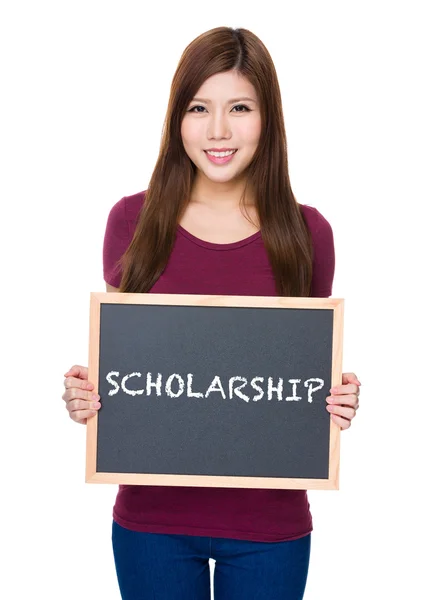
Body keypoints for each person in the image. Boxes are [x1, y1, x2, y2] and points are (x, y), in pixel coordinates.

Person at [62, 26, 361, 600]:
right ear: (178, 118)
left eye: (240, 108)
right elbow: (128, 359)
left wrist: (336, 400)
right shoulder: (132, 221)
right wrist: (89, 397)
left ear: (267, 119)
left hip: (269, 525)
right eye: (199, 107)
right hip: (152, 522)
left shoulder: (307, 233)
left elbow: (304, 369)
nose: (218, 130)